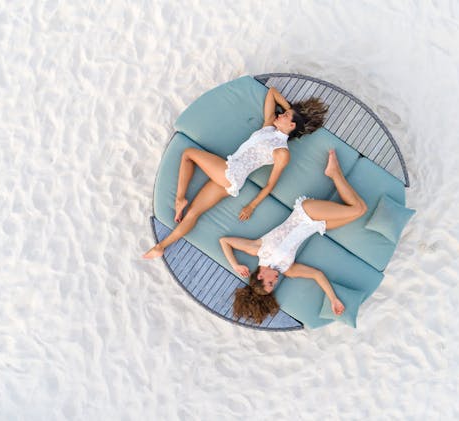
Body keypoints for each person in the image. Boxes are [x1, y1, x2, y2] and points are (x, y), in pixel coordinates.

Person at [143, 87, 328, 259]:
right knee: (192, 213)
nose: (280, 115)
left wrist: (251, 206)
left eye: (285, 116)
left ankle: (180, 198)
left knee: (188, 154)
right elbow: (272, 92)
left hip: (231, 172)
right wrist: (292, 112)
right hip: (230, 177)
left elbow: (271, 184)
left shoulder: (282, 152)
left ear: (292, 125)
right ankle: (162, 246)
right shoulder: (268, 126)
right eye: (283, 113)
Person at [219, 150, 368, 324]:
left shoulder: (258, 250)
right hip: (317, 226)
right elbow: (317, 275)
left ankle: (334, 173)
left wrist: (235, 264)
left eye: (270, 283)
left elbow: (225, 241)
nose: (275, 281)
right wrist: (333, 299)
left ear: (260, 276)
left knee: (356, 210)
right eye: (273, 286)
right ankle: (334, 174)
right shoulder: (287, 269)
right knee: (361, 211)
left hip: (305, 213)